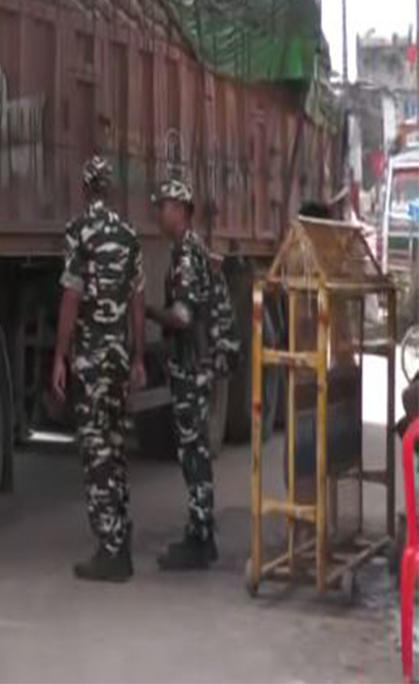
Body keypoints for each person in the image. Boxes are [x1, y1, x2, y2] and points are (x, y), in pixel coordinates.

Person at [52, 155, 146, 583]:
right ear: (110, 189)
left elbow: (71, 297)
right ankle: (121, 537)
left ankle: (110, 551)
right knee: (116, 446)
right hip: (119, 356)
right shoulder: (129, 236)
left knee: (96, 452)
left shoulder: (78, 232)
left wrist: (59, 355)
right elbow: (138, 301)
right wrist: (139, 356)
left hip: (90, 359)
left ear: (85, 188)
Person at [146, 177, 238, 570]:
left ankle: (200, 539)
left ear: (181, 211)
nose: (159, 213)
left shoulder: (186, 255)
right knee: (195, 449)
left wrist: (148, 312)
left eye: (164, 207)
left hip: (192, 367)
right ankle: (202, 533)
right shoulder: (193, 249)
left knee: (193, 453)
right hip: (200, 364)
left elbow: (183, 318)